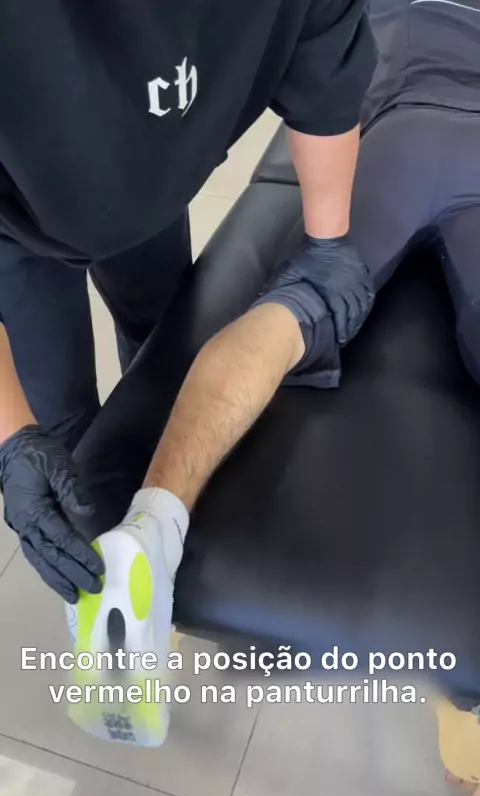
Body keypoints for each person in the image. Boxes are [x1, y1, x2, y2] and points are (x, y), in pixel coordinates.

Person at [0, 1, 376, 602]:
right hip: (13, 228)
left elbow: (326, 56)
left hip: (148, 182)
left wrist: (327, 241)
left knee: (159, 344)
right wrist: (11, 435)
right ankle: (108, 580)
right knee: (62, 430)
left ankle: (153, 509)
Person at [108, 0, 480, 608]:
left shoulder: (366, 13)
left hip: (402, 139)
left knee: (292, 310)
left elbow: (316, 84)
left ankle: (150, 530)